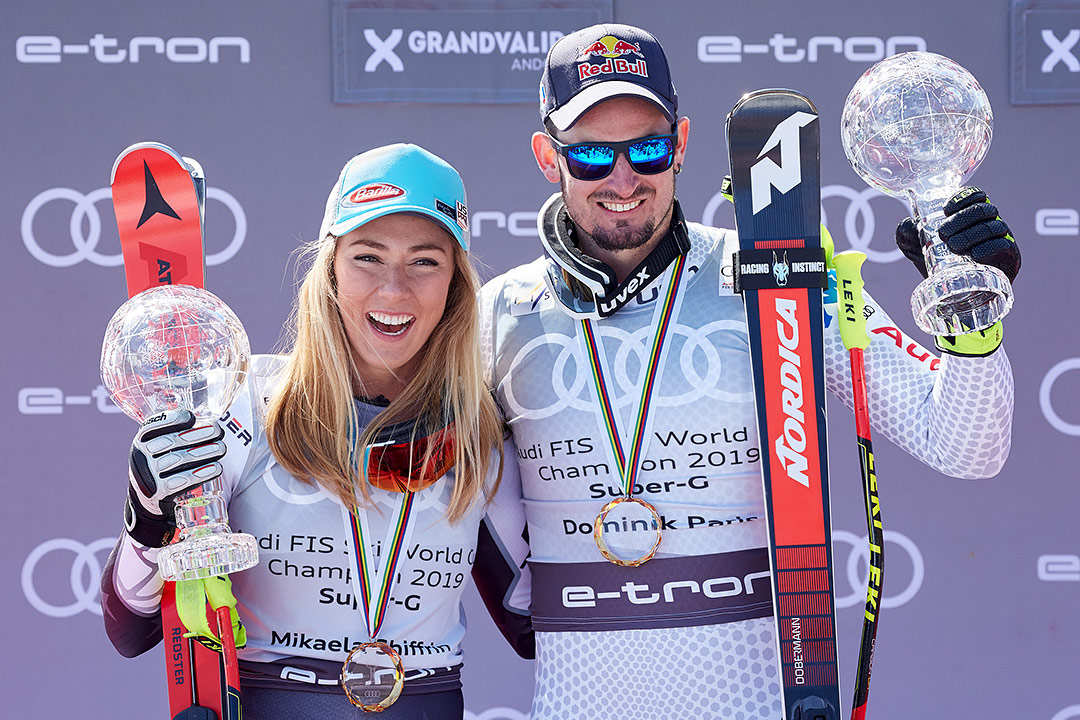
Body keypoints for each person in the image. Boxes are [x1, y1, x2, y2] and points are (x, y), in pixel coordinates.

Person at [477, 23, 1019, 719]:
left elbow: (967, 447)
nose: (622, 179)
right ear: (547, 158)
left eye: (647, 148)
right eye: (587, 155)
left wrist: (971, 316)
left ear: (681, 143)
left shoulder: (777, 277)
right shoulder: (499, 316)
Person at [100, 143, 528, 719]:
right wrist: (147, 522)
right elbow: (131, 627)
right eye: (367, 257)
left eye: (425, 261)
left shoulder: (480, 433)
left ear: (456, 282)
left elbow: (533, 624)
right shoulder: (245, 403)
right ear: (329, 269)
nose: (394, 289)